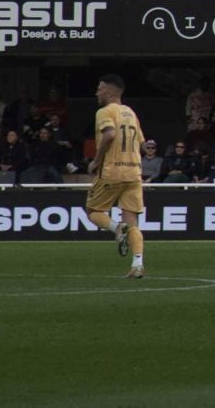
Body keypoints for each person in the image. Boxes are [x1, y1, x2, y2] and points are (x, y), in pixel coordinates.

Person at [86, 73, 148, 278]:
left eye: (100, 88)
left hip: (112, 171)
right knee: (133, 222)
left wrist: (96, 160)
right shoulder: (131, 113)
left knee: (93, 211)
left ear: (110, 91)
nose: (97, 92)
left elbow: (110, 134)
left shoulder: (105, 111)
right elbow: (142, 145)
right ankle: (138, 264)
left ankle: (116, 228)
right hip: (134, 172)